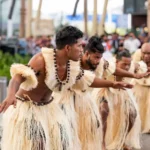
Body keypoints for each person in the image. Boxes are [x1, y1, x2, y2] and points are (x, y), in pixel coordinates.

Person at [0, 26, 132, 150]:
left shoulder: (71, 65)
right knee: (38, 143)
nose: (82, 50)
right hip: (27, 108)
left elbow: (87, 80)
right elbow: (18, 77)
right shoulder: (41, 60)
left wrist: (113, 84)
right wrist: (11, 95)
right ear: (68, 48)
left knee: (63, 140)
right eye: (79, 46)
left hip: (48, 108)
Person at [80, 36, 148, 150]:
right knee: (103, 111)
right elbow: (91, 80)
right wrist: (112, 84)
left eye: (128, 64)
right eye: (124, 64)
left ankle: (123, 140)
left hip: (121, 90)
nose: (127, 66)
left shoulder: (126, 65)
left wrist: (136, 75)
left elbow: (137, 66)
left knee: (132, 114)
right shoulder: (74, 65)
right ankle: (102, 144)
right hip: (104, 90)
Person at [132, 43, 150, 133]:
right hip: (138, 84)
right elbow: (133, 67)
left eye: (149, 53)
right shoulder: (137, 54)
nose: (146, 56)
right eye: (144, 53)